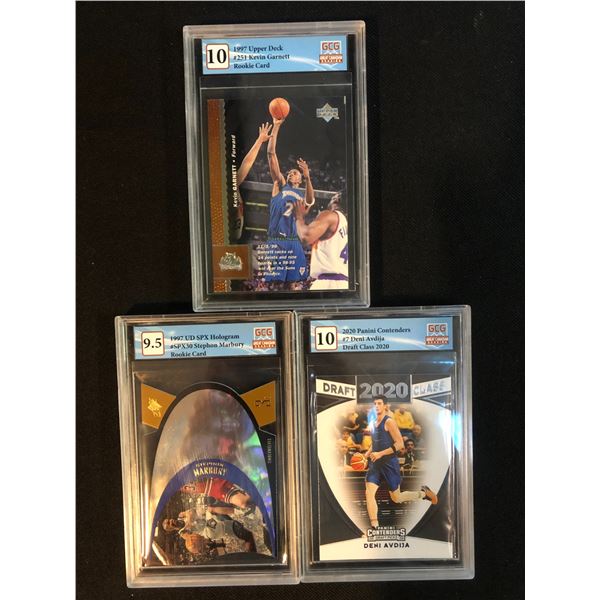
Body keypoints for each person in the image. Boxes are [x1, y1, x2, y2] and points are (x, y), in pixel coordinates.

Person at [364, 395, 438, 530]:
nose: (376, 406)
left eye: (379, 403)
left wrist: (380, 454)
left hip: (389, 464)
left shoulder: (389, 422)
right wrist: (366, 455)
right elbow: (375, 444)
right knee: (369, 493)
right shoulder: (373, 423)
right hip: (376, 465)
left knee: (396, 498)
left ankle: (423, 494)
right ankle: (375, 527)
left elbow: (399, 444)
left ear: (385, 406)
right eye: (374, 403)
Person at [262, 116, 314, 287]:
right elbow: (271, 154)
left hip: (294, 242)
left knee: (293, 285)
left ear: (300, 179)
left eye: (295, 172)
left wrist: (308, 177)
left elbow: (310, 201)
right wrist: (276, 126)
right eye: (290, 172)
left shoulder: (302, 195)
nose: (291, 173)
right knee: (275, 285)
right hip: (277, 240)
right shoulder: (280, 185)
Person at [293, 192, 349, 289]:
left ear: (335, 200)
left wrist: (299, 216)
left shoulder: (330, 215)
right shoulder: (346, 224)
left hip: (328, 283)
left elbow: (305, 237)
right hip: (344, 283)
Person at [231, 122, 273, 240]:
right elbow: (247, 163)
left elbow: (247, 163)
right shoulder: (229, 187)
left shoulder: (233, 184)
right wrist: (259, 141)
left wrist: (260, 140)